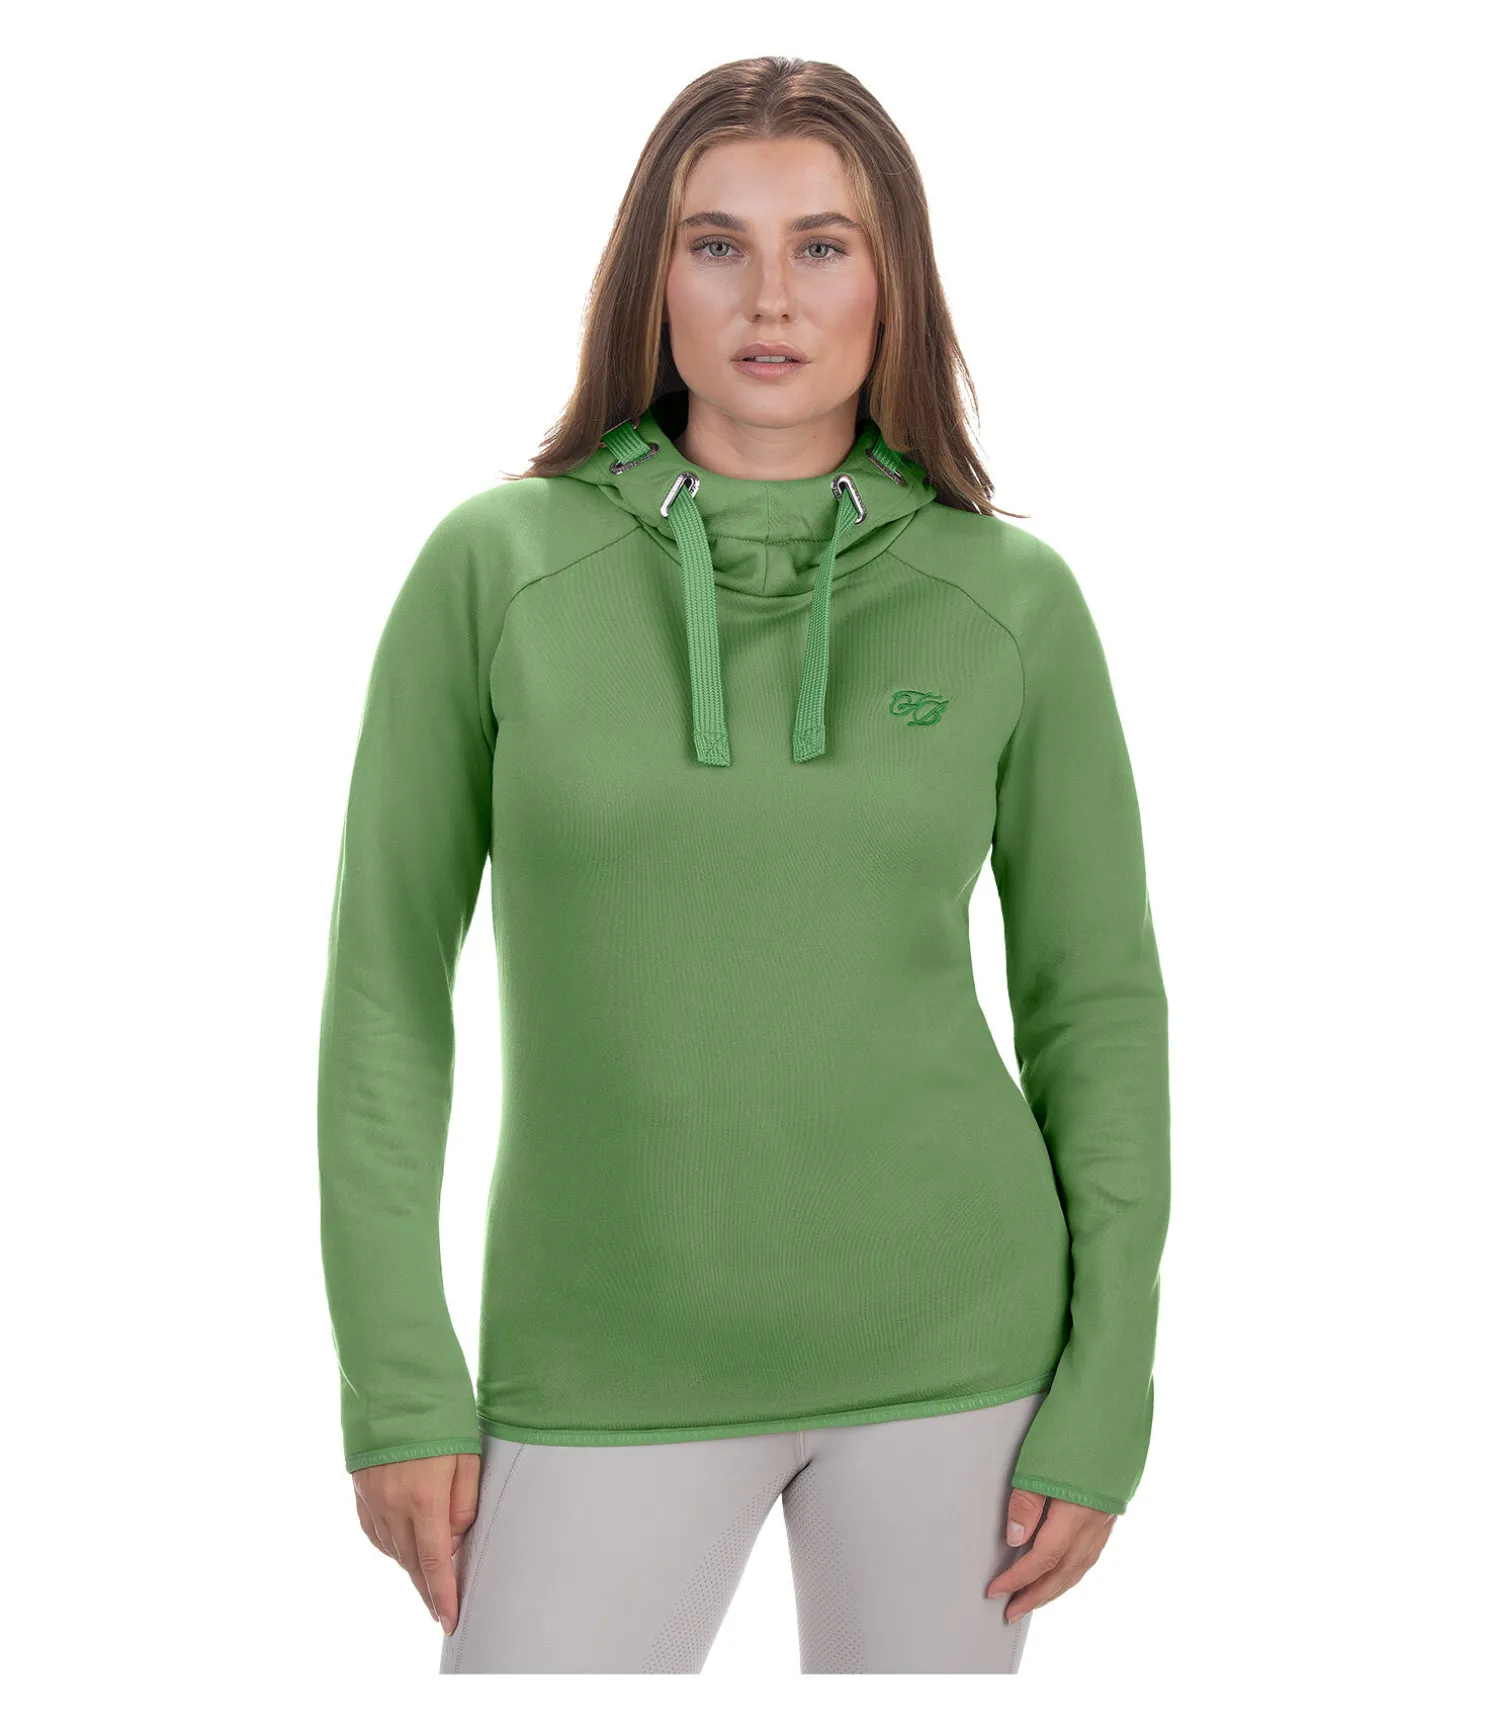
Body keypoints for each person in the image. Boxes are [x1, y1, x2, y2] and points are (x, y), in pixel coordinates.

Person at [317, 55, 1170, 1675]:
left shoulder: (1010, 599)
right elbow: (383, 992)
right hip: (597, 1359)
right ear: (652, 275)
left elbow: (1097, 1007)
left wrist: (1109, 1376)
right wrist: (398, 1375)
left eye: (821, 246)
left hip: (959, 1360)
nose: (768, 297)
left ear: (890, 281)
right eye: (716, 244)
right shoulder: (496, 570)